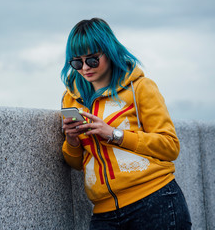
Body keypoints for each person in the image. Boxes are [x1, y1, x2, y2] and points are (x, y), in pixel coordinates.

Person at [61, 18, 192, 230]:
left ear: (109, 52)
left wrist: (115, 134)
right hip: (103, 213)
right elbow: (77, 164)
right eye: (77, 62)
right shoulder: (71, 99)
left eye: (92, 60)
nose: (85, 68)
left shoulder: (140, 88)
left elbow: (170, 146)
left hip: (155, 201)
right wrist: (72, 141)